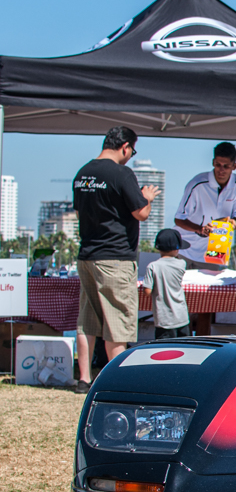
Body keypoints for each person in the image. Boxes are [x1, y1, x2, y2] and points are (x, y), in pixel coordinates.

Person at [71, 126, 159, 393]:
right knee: (117, 321)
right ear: (125, 147)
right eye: (132, 150)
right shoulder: (122, 173)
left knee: (87, 321)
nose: (131, 155)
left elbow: (78, 212)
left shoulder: (83, 173)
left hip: (87, 254)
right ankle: (117, 382)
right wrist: (148, 197)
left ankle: (84, 379)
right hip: (116, 256)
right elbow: (141, 213)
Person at [173, 141, 236, 270]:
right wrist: (201, 229)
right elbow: (179, 219)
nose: (221, 170)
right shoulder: (197, 183)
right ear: (213, 162)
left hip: (215, 250)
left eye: (226, 166)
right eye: (218, 165)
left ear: (234, 166)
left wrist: (233, 223)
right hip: (185, 249)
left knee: (210, 289)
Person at [142, 229, 189, 339]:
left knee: (165, 351)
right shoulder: (182, 264)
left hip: (163, 319)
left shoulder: (153, 266)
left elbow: (147, 291)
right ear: (176, 249)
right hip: (181, 316)